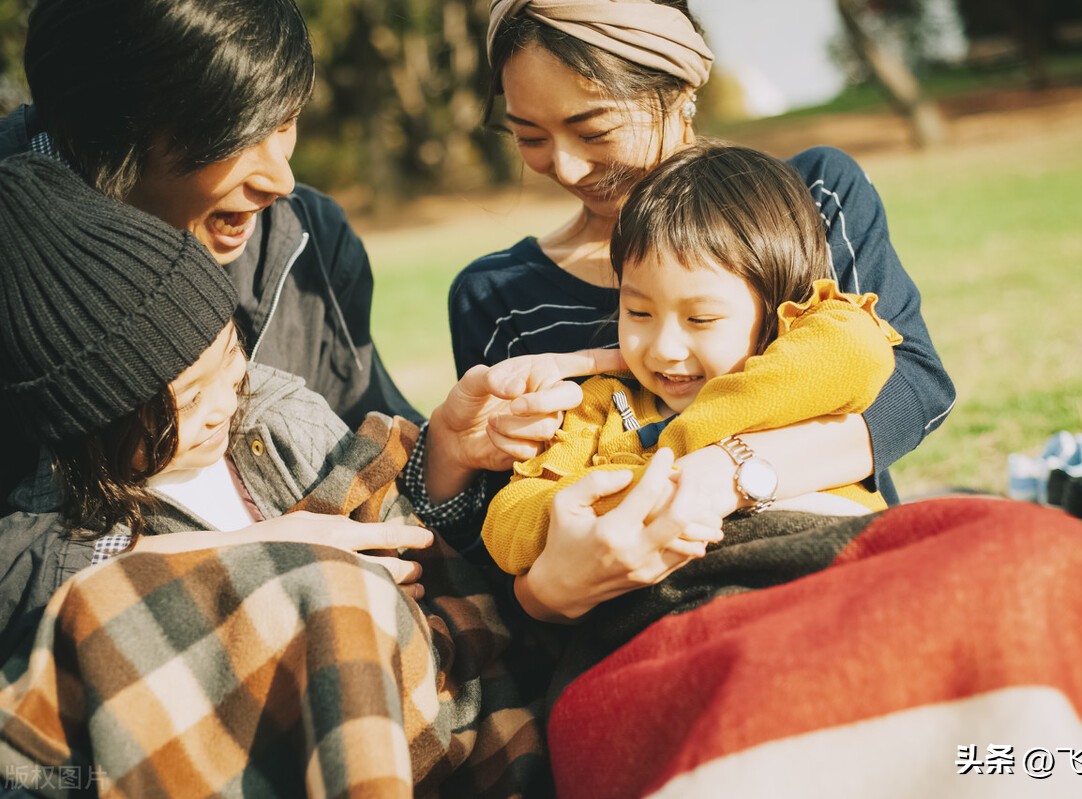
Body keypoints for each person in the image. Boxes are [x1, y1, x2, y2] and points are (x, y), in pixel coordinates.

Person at [0, 154, 564, 795]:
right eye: (185, 402)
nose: (221, 404)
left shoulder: (277, 419)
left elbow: (413, 541)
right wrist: (275, 562)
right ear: (89, 429)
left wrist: (443, 471)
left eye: (229, 359)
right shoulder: (67, 532)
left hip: (413, 708)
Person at [0, 0, 605, 555]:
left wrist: (445, 452)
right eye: (236, 136)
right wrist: (225, 555)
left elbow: (371, 487)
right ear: (103, 133)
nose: (280, 181)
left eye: (285, 123)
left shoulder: (307, 237)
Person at [449, 0, 955, 619]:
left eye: (594, 131)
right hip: (642, 621)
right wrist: (550, 587)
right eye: (529, 136)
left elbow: (914, 387)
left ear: (683, 91)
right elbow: (501, 539)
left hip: (835, 574)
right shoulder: (496, 295)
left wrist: (721, 471)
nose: (566, 165)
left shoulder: (808, 200)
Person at [482, 142, 903, 575]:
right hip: (687, 597)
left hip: (829, 565)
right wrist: (650, 490)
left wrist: (681, 452)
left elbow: (860, 349)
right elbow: (506, 523)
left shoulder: (799, 362)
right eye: (638, 313)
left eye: (700, 319)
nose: (664, 347)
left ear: (777, 307)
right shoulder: (599, 406)